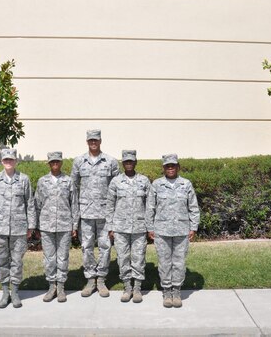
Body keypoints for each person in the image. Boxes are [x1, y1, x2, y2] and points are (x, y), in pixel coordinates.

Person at [145, 154, 200, 308]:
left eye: (173, 166)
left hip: (181, 231)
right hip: (161, 231)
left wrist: (193, 227)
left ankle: (177, 291)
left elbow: (193, 207)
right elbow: (150, 208)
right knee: (164, 262)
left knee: (179, 262)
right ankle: (167, 291)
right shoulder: (156, 184)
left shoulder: (186, 184)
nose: (170, 168)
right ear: (163, 168)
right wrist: (150, 228)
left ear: (178, 167)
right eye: (167, 166)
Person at [0, 148, 36, 309]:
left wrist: (31, 226)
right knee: (1, 260)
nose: (8, 162)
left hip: (19, 228)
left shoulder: (24, 180)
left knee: (17, 261)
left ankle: (15, 292)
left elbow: (30, 204)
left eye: (11, 159)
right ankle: (5, 292)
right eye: (6, 159)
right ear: (2, 161)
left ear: (16, 161)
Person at [71, 129, 119, 297]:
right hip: (85, 213)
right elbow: (73, 189)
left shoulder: (111, 162)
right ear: (87, 141)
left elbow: (116, 189)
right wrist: (75, 216)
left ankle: (101, 279)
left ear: (100, 141)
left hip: (105, 213)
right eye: (90, 140)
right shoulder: (78, 162)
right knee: (87, 247)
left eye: (96, 140)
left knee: (105, 246)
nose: (93, 142)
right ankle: (91, 279)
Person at [106, 150, 151, 303]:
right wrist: (110, 226)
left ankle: (137, 288)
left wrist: (149, 227)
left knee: (138, 258)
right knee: (123, 258)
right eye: (126, 162)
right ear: (123, 163)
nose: (129, 164)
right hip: (120, 228)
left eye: (131, 161)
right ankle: (127, 287)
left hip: (139, 227)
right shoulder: (116, 181)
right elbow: (110, 205)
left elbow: (150, 205)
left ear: (135, 162)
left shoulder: (144, 181)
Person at [34, 151, 79, 303]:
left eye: (57, 161)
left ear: (61, 163)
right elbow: (37, 204)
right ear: (49, 163)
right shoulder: (42, 181)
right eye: (52, 162)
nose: (55, 164)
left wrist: (74, 225)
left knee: (62, 257)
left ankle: (61, 287)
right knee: (49, 258)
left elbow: (74, 203)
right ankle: (51, 286)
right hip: (46, 226)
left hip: (65, 225)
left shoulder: (68, 181)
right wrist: (37, 227)